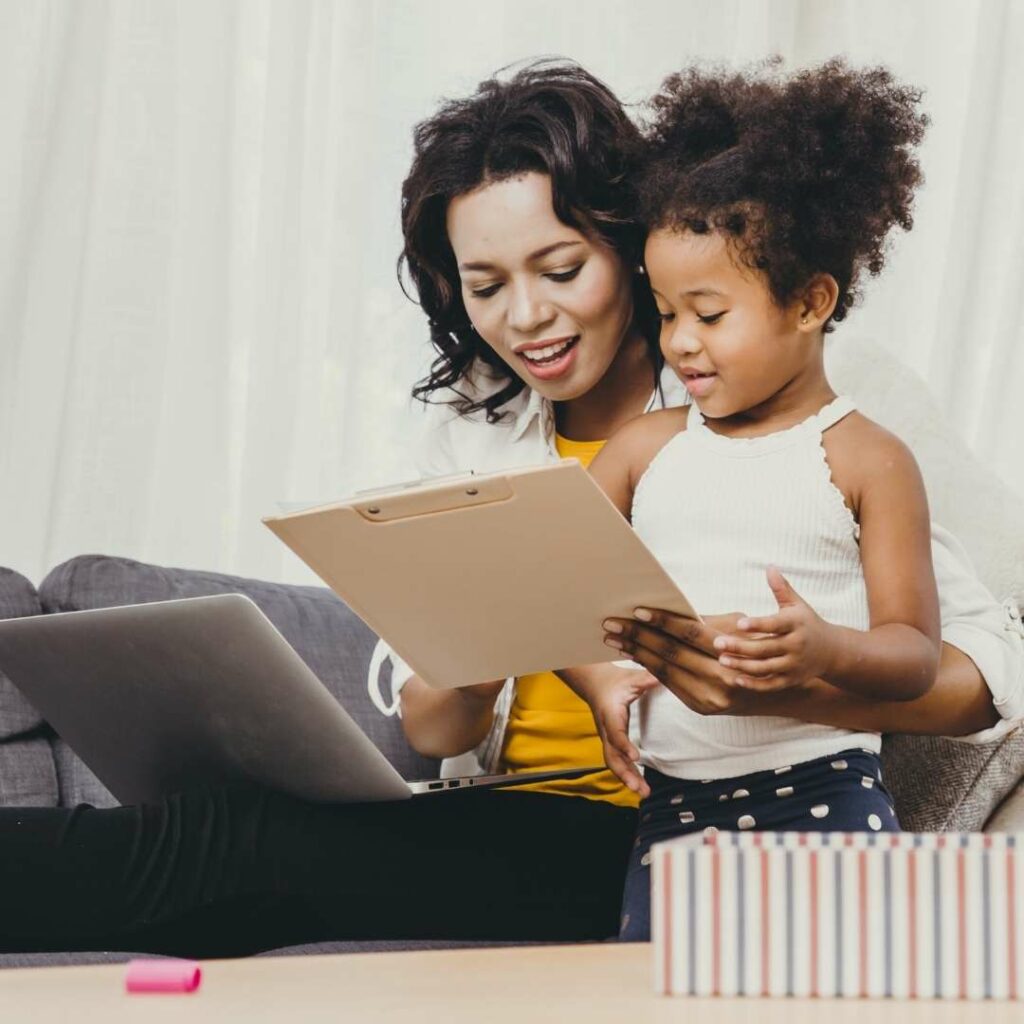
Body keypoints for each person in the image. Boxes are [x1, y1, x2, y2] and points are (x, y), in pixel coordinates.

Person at [0, 59, 1019, 958]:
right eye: (484, 286)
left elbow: (978, 683)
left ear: (635, 244)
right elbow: (434, 732)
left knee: (239, 848)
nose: (523, 316)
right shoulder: (476, 441)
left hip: (663, 823)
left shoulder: (799, 408)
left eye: (560, 269)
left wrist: (782, 676)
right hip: (503, 817)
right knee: (235, 847)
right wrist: (474, 637)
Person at [574, 59, 947, 941]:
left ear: (811, 301)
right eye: (665, 312)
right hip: (670, 818)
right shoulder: (640, 452)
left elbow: (915, 656)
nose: (681, 343)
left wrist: (826, 649)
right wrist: (595, 680)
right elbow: (557, 592)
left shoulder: (867, 459)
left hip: (824, 801)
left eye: (709, 312)